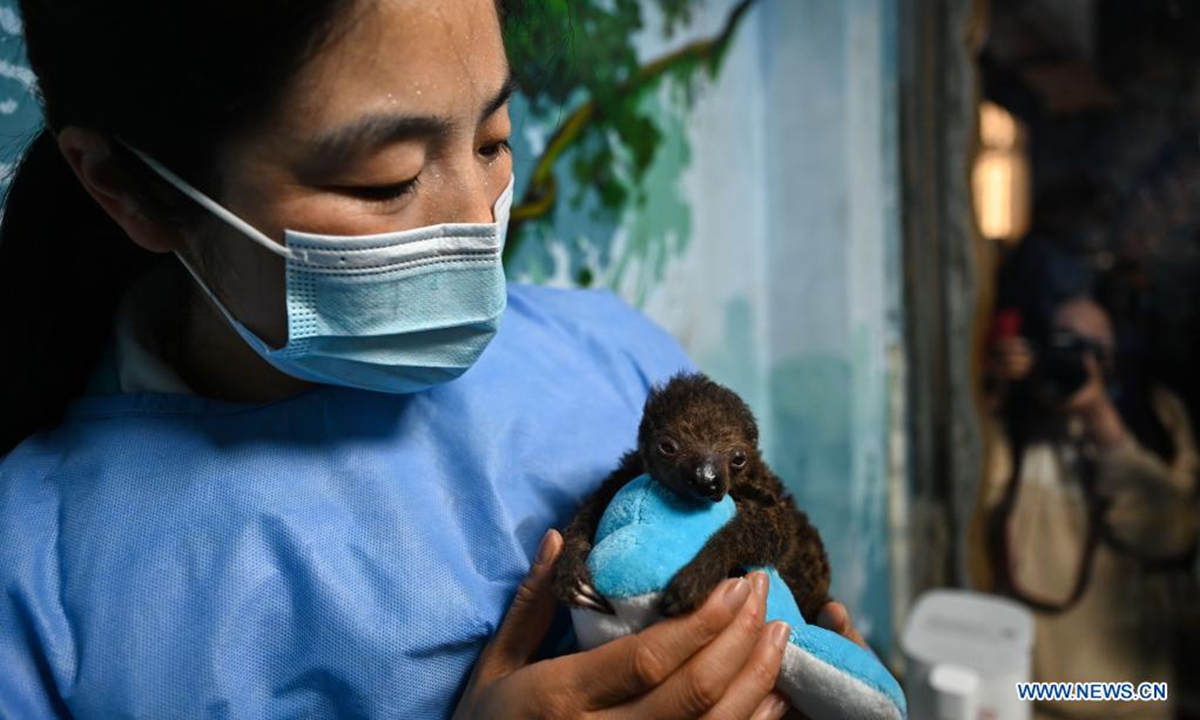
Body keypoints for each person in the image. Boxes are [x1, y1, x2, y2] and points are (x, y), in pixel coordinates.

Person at [0, 1, 866, 717]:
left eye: (492, 140)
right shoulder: (37, 580)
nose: (476, 219)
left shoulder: (618, 359)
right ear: (122, 187)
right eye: (386, 179)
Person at [979, 242, 1199, 719]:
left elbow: (1174, 531)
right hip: (1036, 701)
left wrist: (1102, 418)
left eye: (1092, 351)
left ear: (1118, 358)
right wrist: (1000, 391)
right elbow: (978, 503)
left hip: (1136, 702)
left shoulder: (1156, 419)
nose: (1076, 362)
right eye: (1062, 345)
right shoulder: (1023, 430)